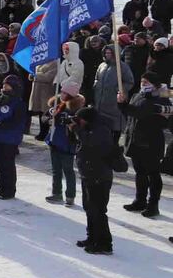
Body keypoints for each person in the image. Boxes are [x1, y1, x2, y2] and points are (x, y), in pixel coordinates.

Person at [118, 73, 171, 218]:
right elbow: (130, 116)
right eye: (142, 81)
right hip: (136, 140)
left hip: (151, 142)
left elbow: (142, 113)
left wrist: (124, 105)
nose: (143, 84)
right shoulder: (138, 95)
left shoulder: (162, 98)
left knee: (152, 174)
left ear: (155, 84)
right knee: (139, 172)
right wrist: (122, 105)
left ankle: (153, 204)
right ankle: (140, 200)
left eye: (146, 82)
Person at [72, 106, 115, 255]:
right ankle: (92, 237)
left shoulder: (101, 130)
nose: (79, 122)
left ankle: (104, 243)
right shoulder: (89, 129)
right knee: (89, 208)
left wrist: (78, 130)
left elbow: (91, 144)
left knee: (98, 210)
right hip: (88, 175)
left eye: (81, 120)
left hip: (99, 176)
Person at [45, 81, 84, 205]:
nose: (62, 94)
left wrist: (66, 120)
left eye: (65, 92)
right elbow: (45, 117)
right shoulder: (56, 104)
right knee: (56, 170)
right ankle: (56, 193)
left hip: (67, 143)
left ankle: (70, 196)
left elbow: (78, 125)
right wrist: (50, 118)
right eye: (61, 91)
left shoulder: (75, 109)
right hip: (54, 141)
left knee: (68, 170)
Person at [0, 74, 26, 199]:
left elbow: (17, 121)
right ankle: (1, 187)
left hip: (10, 138)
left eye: (7, 85)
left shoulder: (18, 103)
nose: (4, 87)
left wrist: (2, 125)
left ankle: (9, 190)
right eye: (4, 84)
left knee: (8, 164)